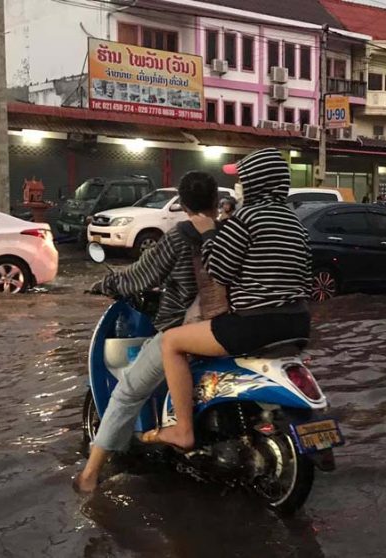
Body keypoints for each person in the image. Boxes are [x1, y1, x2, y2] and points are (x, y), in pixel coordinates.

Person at [148, 148, 312, 451]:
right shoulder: (296, 223)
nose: (240, 186)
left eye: (243, 180)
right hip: (299, 323)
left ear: (255, 182)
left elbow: (218, 270)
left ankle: (183, 430)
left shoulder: (247, 217)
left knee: (171, 342)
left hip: (253, 325)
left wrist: (210, 233)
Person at [74, 171, 219, 493]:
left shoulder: (179, 238)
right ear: (216, 202)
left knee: (127, 392)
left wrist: (106, 284)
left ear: (181, 203)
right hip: (227, 329)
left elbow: (139, 276)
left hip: (186, 329)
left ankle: (88, 477)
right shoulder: (226, 235)